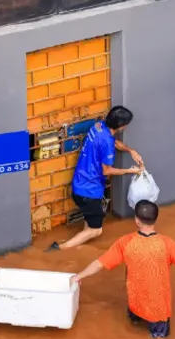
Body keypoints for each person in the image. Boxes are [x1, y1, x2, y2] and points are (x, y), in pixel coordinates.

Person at [69, 200, 175, 339]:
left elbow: (100, 263)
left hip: (135, 304)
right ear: (155, 219)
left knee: (132, 331)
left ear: (137, 220)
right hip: (158, 310)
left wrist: (78, 276)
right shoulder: (167, 245)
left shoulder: (125, 243)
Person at [47, 105, 144, 251]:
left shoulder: (98, 126)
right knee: (96, 230)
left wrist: (131, 150)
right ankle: (60, 248)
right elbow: (107, 171)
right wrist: (130, 171)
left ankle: (80, 244)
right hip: (89, 192)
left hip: (79, 184)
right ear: (121, 126)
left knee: (90, 224)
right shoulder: (107, 143)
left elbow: (114, 142)